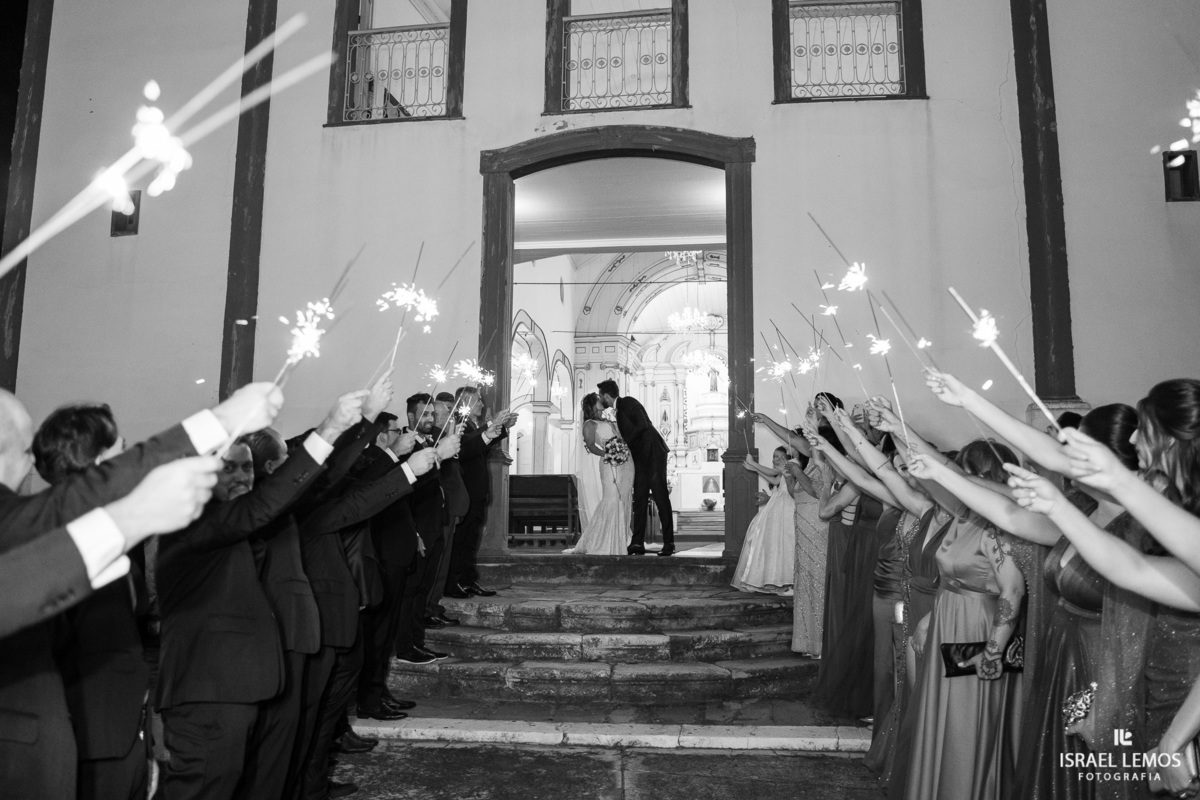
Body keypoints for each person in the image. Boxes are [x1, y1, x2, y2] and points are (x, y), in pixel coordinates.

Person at [0, 383, 280, 800]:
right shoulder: (31, 524)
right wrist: (134, 516)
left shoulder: (23, 514)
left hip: (116, 732)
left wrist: (221, 420)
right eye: (25, 450)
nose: (30, 465)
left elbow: (92, 491)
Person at [903, 441, 1027, 800]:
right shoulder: (962, 516)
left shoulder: (998, 527)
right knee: (943, 715)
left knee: (965, 721)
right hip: (948, 620)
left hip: (978, 627)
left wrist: (993, 651)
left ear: (982, 476)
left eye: (963, 471)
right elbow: (951, 579)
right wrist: (931, 618)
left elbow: (1013, 591)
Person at [597, 380, 675, 556]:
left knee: (660, 497)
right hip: (640, 459)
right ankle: (637, 543)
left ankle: (669, 543)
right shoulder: (619, 410)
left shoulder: (628, 402)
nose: (601, 399)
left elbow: (643, 425)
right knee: (639, 498)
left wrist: (624, 443)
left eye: (601, 396)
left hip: (653, 454)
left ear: (607, 396)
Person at [564, 392, 633, 556]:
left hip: (624, 464)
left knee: (623, 499)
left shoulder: (609, 420)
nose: (601, 401)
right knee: (611, 498)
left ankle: (621, 539)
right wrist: (608, 453)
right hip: (609, 464)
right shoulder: (590, 424)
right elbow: (590, 445)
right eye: (598, 400)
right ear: (592, 405)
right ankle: (604, 541)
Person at [731, 446, 796, 594]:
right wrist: (755, 469)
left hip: (787, 507)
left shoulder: (791, 466)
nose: (776, 459)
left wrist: (753, 464)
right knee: (772, 544)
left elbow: (773, 473)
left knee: (786, 544)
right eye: (774, 456)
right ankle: (775, 580)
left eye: (779, 456)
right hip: (777, 506)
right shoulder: (784, 471)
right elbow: (775, 479)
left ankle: (789, 582)